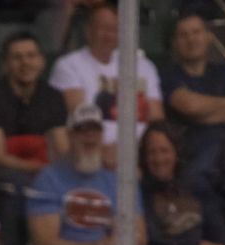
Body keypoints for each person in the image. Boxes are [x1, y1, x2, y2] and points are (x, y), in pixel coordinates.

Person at [0, 30, 68, 245]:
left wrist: (55, 175)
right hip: (0, 179)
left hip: (42, 176)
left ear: (41, 61)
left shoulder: (53, 97)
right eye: (17, 57)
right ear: (5, 64)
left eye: (31, 56)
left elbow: (61, 151)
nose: (25, 63)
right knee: (20, 188)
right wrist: (42, 170)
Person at [25, 103, 135, 245]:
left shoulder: (115, 180)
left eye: (95, 131)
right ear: (70, 136)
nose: (89, 137)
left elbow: (136, 235)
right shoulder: (48, 179)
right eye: (82, 131)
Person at [159, 8, 225, 194]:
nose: (191, 39)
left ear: (208, 37)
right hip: (191, 154)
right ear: (175, 43)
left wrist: (204, 117)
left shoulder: (224, 71)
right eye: (184, 35)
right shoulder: (169, 75)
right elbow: (189, 106)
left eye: (196, 32)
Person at [48, 3, 160, 155]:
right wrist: (106, 152)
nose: (109, 35)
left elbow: (157, 118)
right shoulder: (68, 65)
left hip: (142, 154)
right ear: (88, 31)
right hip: (92, 154)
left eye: (114, 29)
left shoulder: (143, 66)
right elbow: (80, 118)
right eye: (103, 28)